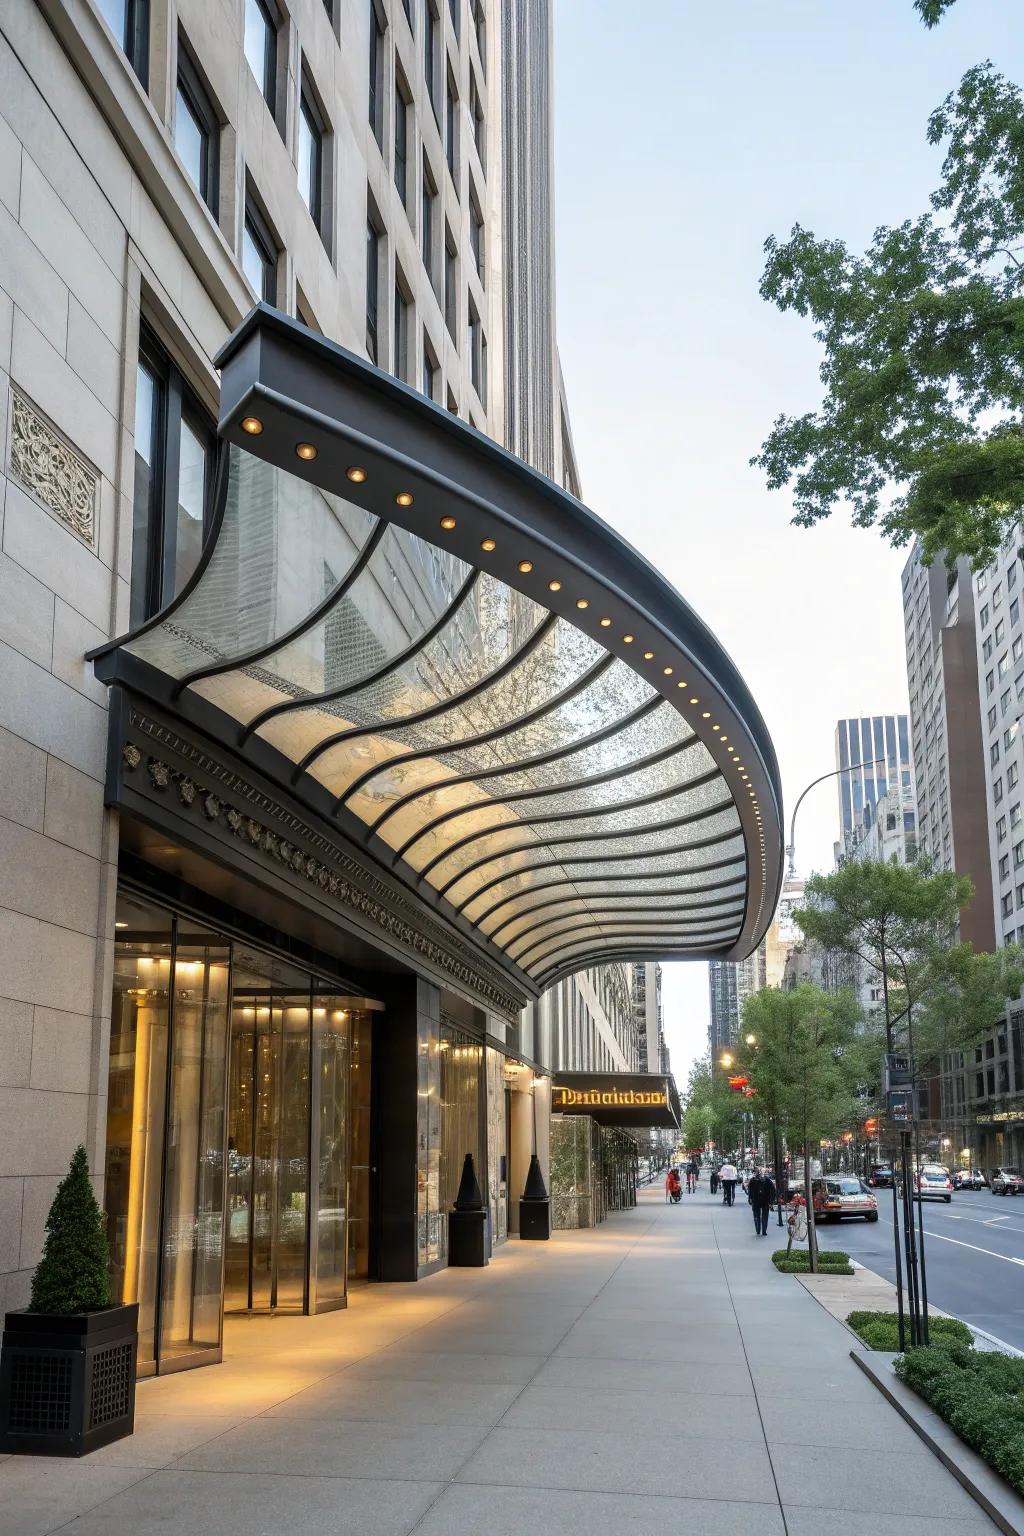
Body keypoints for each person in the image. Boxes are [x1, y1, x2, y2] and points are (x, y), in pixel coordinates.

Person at [747, 1165, 778, 1236]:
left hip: (756, 1200)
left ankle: (758, 1229)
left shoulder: (752, 1180)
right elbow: (773, 1191)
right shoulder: (767, 1180)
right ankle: (764, 1230)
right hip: (765, 1200)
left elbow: (750, 1191)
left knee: (756, 1216)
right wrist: (771, 1201)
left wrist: (750, 1199)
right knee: (765, 1216)